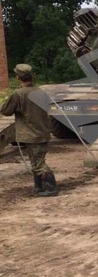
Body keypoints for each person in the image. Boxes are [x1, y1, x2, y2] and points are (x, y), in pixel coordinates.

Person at [0, 64, 59, 196]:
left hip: (31, 134)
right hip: (43, 131)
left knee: (38, 163)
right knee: (35, 161)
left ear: (17, 78)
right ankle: (39, 187)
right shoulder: (41, 92)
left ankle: (51, 188)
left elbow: (6, 111)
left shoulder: (18, 94)